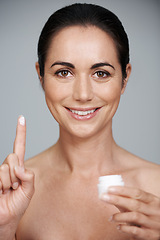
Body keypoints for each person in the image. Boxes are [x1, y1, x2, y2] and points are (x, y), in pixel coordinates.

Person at [0, 3, 160, 240]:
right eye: (64, 72)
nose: (83, 94)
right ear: (41, 76)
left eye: (101, 73)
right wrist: (4, 227)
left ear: (125, 79)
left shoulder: (157, 187)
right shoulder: (12, 193)